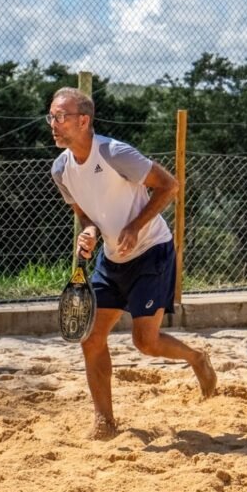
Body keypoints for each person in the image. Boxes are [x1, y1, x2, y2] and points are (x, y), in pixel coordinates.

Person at [49, 87, 216, 440]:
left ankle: (196, 358)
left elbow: (170, 186)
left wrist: (135, 226)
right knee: (91, 337)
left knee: (145, 342)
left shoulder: (113, 152)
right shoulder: (61, 170)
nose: (54, 123)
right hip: (111, 259)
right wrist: (90, 234)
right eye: (51, 116)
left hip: (152, 251)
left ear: (84, 120)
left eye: (61, 117)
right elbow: (85, 216)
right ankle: (105, 422)